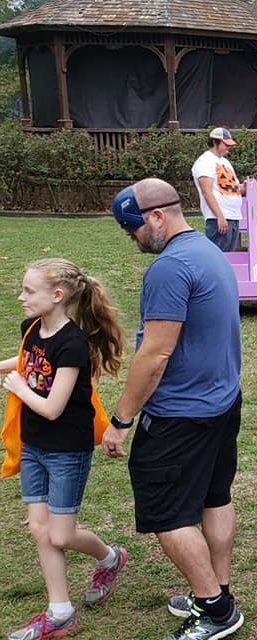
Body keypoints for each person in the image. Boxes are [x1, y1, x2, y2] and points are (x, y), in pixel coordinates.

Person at [105, 179, 244, 640]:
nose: (132, 238)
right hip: (221, 402)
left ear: (157, 217)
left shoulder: (169, 268)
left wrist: (121, 421)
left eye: (132, 228)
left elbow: (155, 354)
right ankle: (219, 592)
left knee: (168, 513)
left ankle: (215, 610)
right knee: (214, 497)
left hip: (180, 415)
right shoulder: (208, 251)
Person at [2, 259, 128, 640]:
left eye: (29, 291)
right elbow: (28, 359)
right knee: (40, 530)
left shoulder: (74, 345)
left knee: (60, 535)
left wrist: (20, 387)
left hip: (66, 451)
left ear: (57, 296)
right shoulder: (31, 329)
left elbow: (53, 408)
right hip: (33, 445)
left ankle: (110, 557)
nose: (21, 297)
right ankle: (60, 612)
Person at [192, 127, 246, 252]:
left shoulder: (225, 162)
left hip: (233, 217)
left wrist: (245, 187)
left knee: (230, 257)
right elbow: (207, 192)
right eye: (225, 144)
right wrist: (220, 217)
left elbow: (235, 188)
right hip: (219, 219)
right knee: (219, 255)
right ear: (215, 142)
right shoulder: (205, 162)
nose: (228, 147)